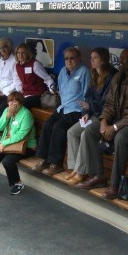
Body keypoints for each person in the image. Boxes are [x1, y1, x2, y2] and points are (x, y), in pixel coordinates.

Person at [75, 48, 128, 200]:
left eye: (126, 60)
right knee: (90, 130)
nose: (121, 62)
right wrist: (104, 121)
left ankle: (115, 184)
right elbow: (110, 103)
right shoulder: (119, 76)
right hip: (118, 118)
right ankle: (98, 175)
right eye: (121, 59)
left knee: (121, 138)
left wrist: (115, 127)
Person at [33, 47, 90, 175]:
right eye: (66, 58)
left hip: (76, 110)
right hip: (63, 107)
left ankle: (56, 163)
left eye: (72, 58)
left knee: (59, 127)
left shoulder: (84, 71)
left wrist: (86, 111)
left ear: (79, 59)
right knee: (48, 125)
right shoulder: (63, 71)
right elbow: (62, 91)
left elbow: (87, 94)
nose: (69, 61)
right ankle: (44, 159)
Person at [65, 47, 117, 185]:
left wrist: (90, 108)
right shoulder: (94, 74)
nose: (92, 61)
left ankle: (82, 171)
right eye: (91, 58)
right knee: (72, 132)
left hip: (105, 117)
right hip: (93, 114)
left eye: (95, 58)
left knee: (85, 134)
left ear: (104, 60)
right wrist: (86, 113)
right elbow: (88, 98)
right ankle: (76, 168)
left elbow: (107, 104)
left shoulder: (112, 76)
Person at [13, 42, 55, 109]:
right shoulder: (17, 66)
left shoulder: (35, 64)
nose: (20, 55)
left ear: (28, 53)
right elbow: (17, 81)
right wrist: (20, 93)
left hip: (37, 95)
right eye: (18, 53)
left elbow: (47, 78)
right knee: (9, 104)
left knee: (21, 106)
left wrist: (52, 90)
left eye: (23, 53)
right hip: (25, 94)